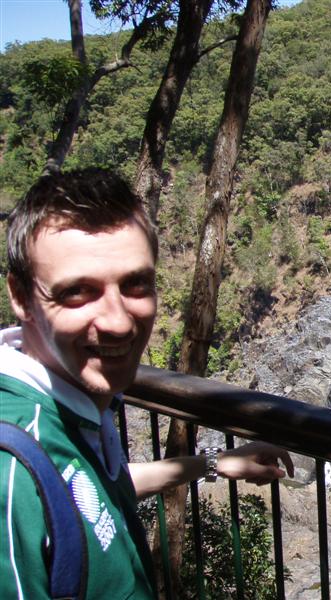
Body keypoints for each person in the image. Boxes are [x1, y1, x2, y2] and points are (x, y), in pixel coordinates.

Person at [0, 169, 293, 598]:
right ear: (22, 297)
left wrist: (214, 463)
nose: (118, 322)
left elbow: (89, 492)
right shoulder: (9, 476)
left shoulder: (67, 410)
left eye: (136, 284)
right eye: (78, 291)